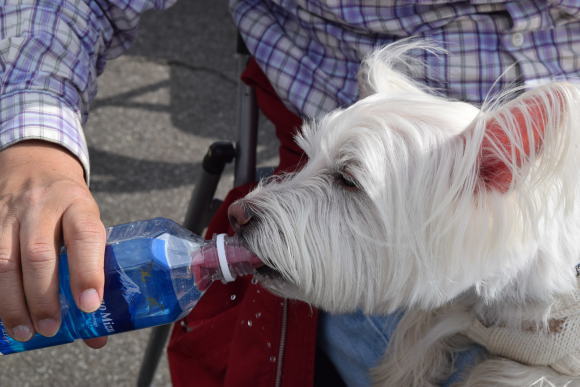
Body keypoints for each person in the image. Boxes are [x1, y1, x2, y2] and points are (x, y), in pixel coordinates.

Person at [0, 0, 578, 385]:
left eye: (346, 179)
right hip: (412, 241)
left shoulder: (499, 159)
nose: (244, 213)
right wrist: (35, 144)